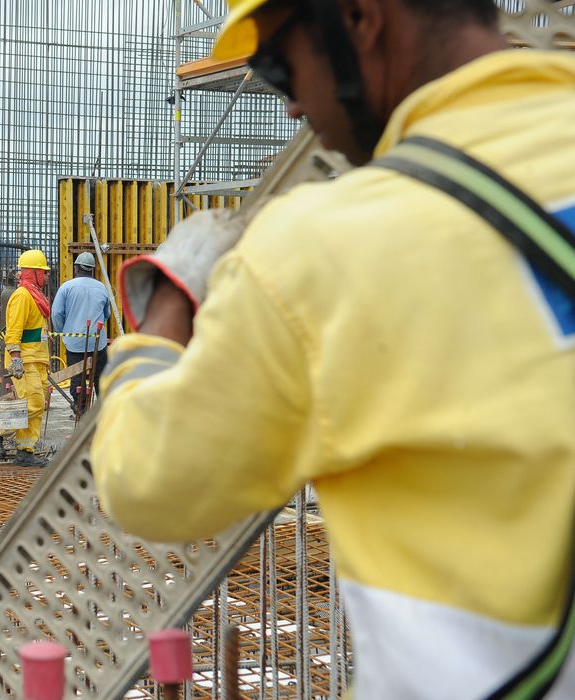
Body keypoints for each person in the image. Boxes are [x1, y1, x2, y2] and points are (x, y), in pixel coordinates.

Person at [91, 0, 575, 696]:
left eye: (279, 67)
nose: (291, 109)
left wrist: (168, 300)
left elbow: (145, 480)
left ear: (359, 18)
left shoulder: (319, 250)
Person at [0, 249, 52, 467]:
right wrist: (15, 359)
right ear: (34, 273)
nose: (47, 276)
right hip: (24, 360)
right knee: (33, 403)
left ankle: (25, 451)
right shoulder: (22, 296)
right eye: (44, 272)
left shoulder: (37, 298)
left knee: (38, 406)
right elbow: (13, 332)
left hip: (37, 359)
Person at [50, 251, 111, 413]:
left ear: (76, 268)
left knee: (78, 378)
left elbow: (56, 314)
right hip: (98, 342)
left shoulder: (66, 287)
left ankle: (81, 411)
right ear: (92, 270)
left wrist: (64, 333)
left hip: (74, 344)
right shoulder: (101, 287)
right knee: (100, 378)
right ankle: (103, 413)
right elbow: (107, 315)